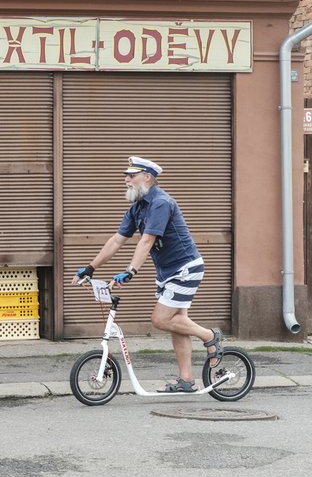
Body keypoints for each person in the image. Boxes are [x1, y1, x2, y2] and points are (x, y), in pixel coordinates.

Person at [71, 156, 223, 393]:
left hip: (185, 269)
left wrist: (130, 271)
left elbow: (147, 240)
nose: (126, 180)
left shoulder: (161, 203)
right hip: (167, 272)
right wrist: (91, 267)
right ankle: (186, 380)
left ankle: (209, 336)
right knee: (176, 323)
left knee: (160, 319)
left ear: (147, 177)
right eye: (126, 176)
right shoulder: (137, 207)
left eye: (131, 176)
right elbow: (117, 240)